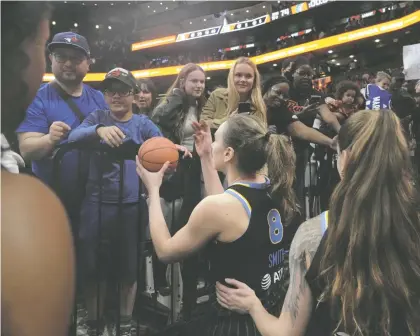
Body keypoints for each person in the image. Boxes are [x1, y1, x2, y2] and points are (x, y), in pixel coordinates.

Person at [216, 109, 420, 336]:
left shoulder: (312, 236)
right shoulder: (413, 227)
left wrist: (253, 305)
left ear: (344, 158)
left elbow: (286, 332)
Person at [136, 114, 300, 335]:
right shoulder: (273, 187)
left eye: (216, 140)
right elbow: (226, 208)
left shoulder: (220, 208)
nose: (211, 143)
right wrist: (205, 155)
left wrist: (153, 192)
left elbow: (165, 251)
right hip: (271, 309)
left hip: (238, 322)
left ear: (229, 153)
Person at [68, 67, 190, 336]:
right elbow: (72, 137)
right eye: (111, 91)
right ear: (105, 95)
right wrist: (98, 130)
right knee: (92, 269)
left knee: (128, 270)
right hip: (95, 205)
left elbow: (163, 148)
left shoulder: (143, 124)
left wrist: (172, 157)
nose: (117, 96)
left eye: (123, 91)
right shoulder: (97, 117)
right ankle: (93, 324)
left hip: (132, 206)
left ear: (133, 96)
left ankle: (125, 325)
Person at [2, 2, 75, 335]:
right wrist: (49, 140)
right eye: (45, 48)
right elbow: (28, 146)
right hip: (49, 202)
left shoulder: (97, 99)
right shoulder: (20, 207)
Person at [151, 63, 207, 316]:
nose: (198, 85)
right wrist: (178, 96)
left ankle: (190, 301)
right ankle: (161, 283)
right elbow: (157, 120)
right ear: (183, 81)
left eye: (201, 82)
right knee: (169, 228)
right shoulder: (174, 102)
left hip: (196, 176)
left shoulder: (203, 105)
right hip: (174, 176)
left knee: (192, 232)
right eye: (193, 81)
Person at [201, 57, 266, 134]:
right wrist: (228, 121)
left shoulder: (259, 104)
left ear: (254, 80)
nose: (243, 80)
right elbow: (202, 124)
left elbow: (261, 135)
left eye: (248, 76)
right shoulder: (217, 95)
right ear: (232, 77)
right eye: (238, 75)